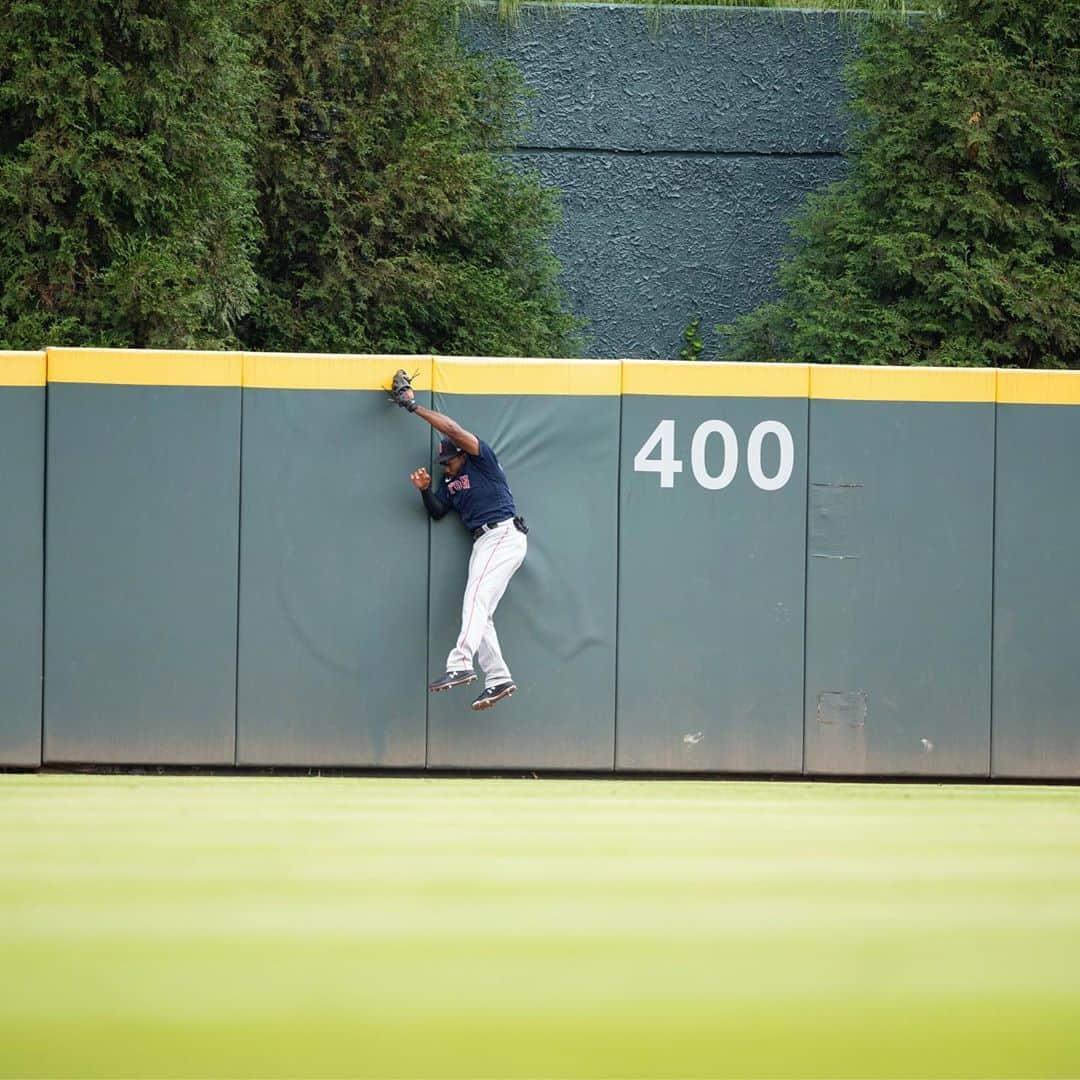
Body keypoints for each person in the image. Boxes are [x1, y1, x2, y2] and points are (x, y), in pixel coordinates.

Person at [395, 381, 528, 711]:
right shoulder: (450, 482)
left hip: (502, 534)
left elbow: (452, 429)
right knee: (481, 612)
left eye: (449, 462)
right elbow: (439, 513)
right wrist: (426, 490)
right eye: (444, 465)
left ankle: (460, 662)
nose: (446, 467)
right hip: (483, 543)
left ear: (460, 455)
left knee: (474, 600)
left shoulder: (480, 459)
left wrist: (413, 407)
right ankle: (497, 678)